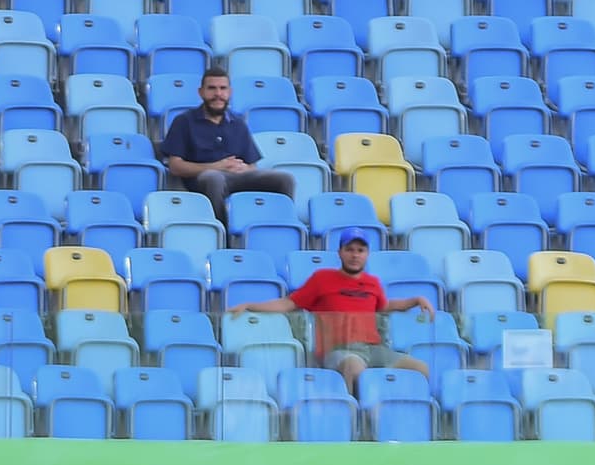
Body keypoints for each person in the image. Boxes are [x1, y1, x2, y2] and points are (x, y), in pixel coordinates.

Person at [227, 228, 434, 391]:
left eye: (360, 250)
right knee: (355, 368)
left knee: (420, 369)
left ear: (367, 254)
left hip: (372, 349)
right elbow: (289, 303)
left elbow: (384, 306)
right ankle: (358, 425)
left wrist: (415, 300)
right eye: (350, 249)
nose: (355, 255)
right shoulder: (322, 278)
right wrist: (250, 306)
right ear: (340, 252)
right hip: (339, 349)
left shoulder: (373, 283)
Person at [161, 67, 296, 226]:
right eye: (212, 88)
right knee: (214, 177)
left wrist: (245, 169)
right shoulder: (184, 121)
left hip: (236, 177)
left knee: (285, 179)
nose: (218, 94)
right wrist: (215, 167)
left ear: (230, 92)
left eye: (222, 88)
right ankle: (223, 235)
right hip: (202, 179)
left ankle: (280, 228)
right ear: (201, 92)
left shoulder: (238, 123)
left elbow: (252, 166)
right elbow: (175, 166)